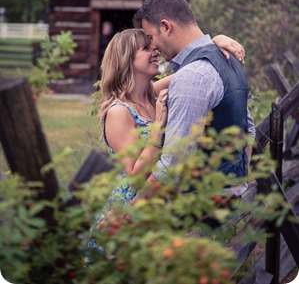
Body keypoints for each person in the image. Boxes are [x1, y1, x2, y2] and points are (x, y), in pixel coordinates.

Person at [88, 27, 246, 244]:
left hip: (158, 202)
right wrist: (159, 126)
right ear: (125, 59)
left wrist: (215, 42)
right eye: (146, 48)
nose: (155, 51)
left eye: (153, 46)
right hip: (129, 210)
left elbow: (196, 67)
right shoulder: (119, 111)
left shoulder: (152, 96)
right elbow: (135, 173)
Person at [133, 0, 255, 199]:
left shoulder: (193, 75)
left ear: (165, 26)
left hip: (200, 205)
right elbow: (248, 131)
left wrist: (128, 214)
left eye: (151, 37)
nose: (153, 46)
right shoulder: (227, 59)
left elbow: (172, 165)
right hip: (226, 195)